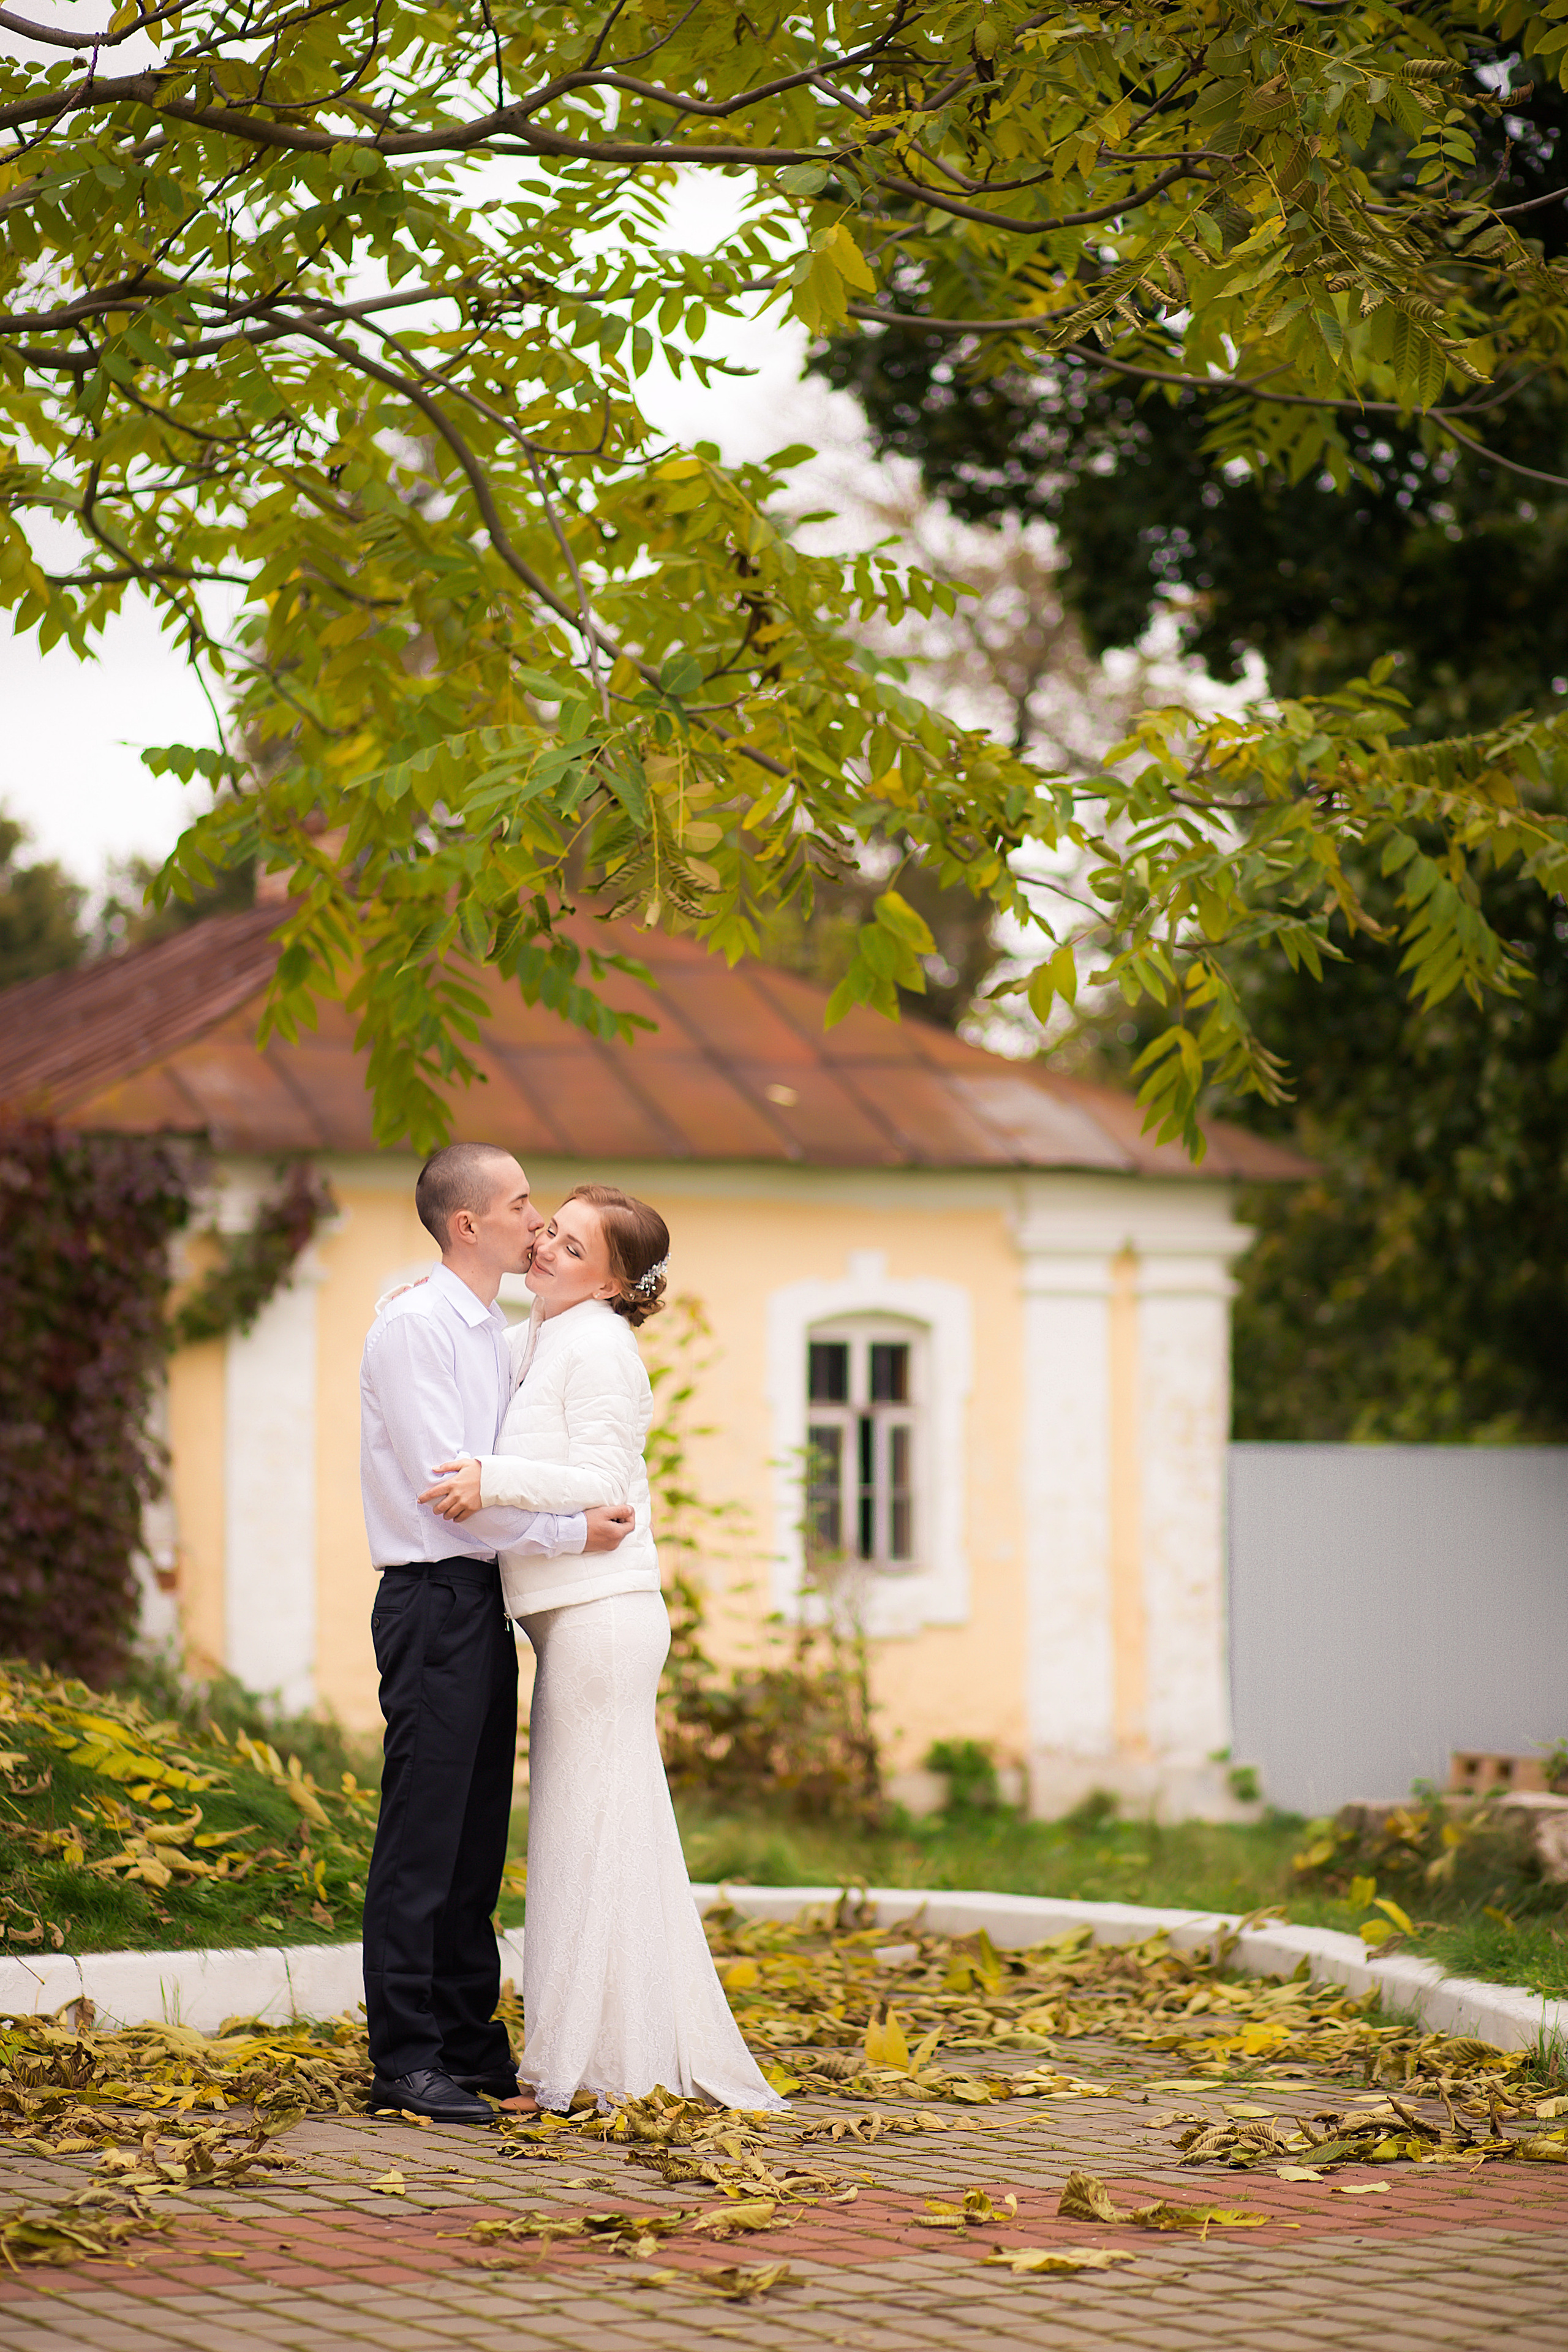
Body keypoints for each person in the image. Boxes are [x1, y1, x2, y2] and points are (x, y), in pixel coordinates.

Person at [420, 1182, 782, 2114]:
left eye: (574, 1249)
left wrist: (488, 1476)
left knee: (587, 1832)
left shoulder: (601, 1347)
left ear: (616, 1284)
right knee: (595, 1829)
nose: (544, 1249)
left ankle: (577, 2063)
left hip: (603, 1616)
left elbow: (600, 1479)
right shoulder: (539, 1332)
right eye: (550, 1231)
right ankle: (609, 2049)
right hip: (566, 1613)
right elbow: (453, 1343)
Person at [359, 1142, 633, 2125]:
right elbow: (450, 1490)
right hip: (432, 1594)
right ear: (469, 1225)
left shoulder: (493, 1331)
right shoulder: (417, 1328)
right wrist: (574, 1528)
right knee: (423, 1837)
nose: (538, 1220)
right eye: (522, 1205)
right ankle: (406, 2057)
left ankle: (471, 2046)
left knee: (476, 1837)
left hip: (480, 1603)